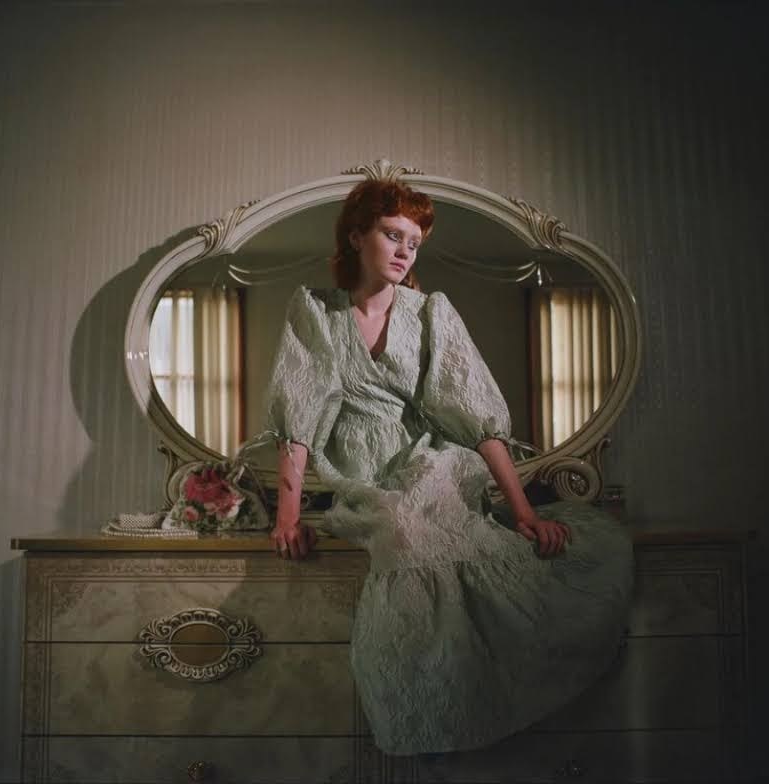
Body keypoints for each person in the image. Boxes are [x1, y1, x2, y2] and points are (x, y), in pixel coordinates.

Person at [256, 179, 633, 755]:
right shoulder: (315, 312)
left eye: (415, 241)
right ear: (357, 236)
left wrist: (524, 512)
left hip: (426, 462)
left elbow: (476, 421)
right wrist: (287, 518)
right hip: (361, 474)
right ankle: (415, 711)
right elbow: (297, 422)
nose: (406, 250)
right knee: (402, 532)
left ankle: (477, 692)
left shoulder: (431, 313)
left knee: (453, 535)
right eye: (392, 234)